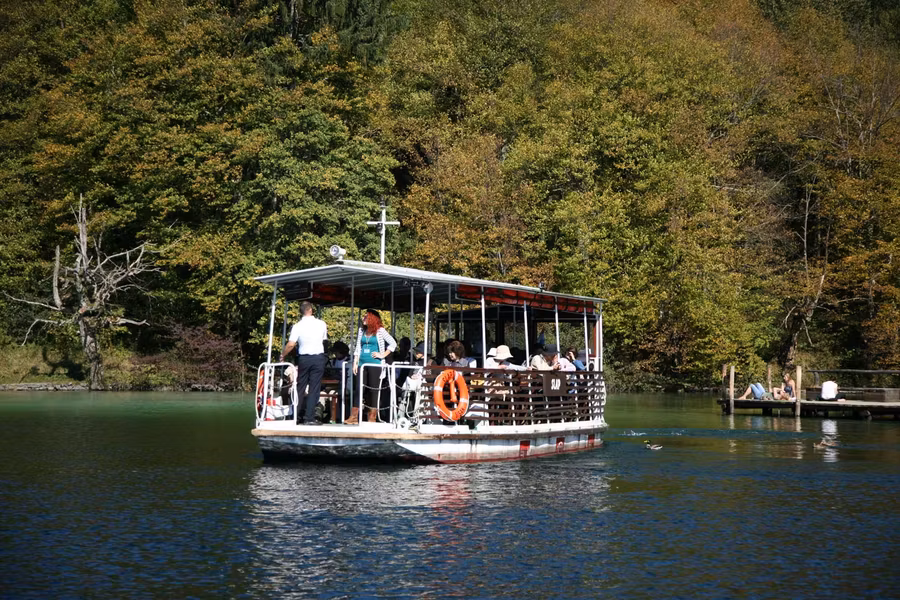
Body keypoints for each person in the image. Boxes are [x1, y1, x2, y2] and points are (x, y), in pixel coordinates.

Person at [279, 301, 328, 425]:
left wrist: (283, 355)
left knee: (300, 387)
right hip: (318, 358)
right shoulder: (321, 324)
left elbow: (291, 344)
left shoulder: (297, 326)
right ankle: (309, 418)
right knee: (314, 388)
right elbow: (325, 341)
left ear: (301, 312)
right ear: (311, 310)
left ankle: (295, 416)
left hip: (304, 359)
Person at [351, 309, 397, 423]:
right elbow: (358, 346)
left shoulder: (380, 331)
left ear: (372, 319)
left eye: (366, 317)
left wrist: (383, 355)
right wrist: (355, 361)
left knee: (373, 389)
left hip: (375, 364)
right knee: (359, 388)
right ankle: (354, 416)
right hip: (362, 363)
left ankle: (372, 417)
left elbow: (393, 343)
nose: (363, 319)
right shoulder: (361, 330)